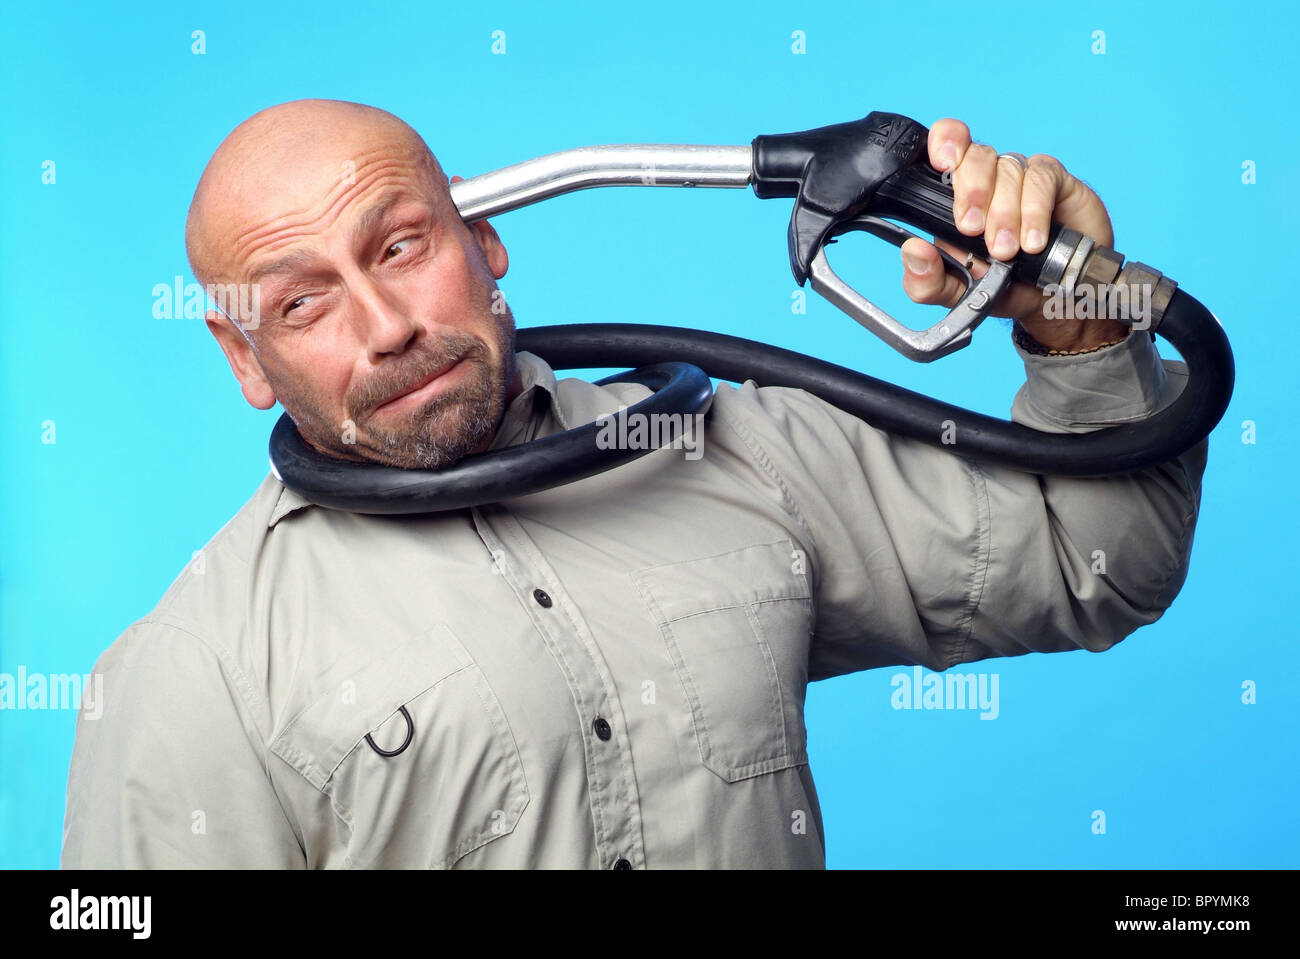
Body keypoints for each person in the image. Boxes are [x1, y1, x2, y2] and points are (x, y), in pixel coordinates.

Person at [59, 99, 1205, 869]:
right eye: (300, 302)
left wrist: (1073, 309)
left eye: (401, 244)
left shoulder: (735, 454)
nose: (386, 328)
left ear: (485, 238)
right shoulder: (195, 669)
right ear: (243, 355)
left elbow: (1096, 561)